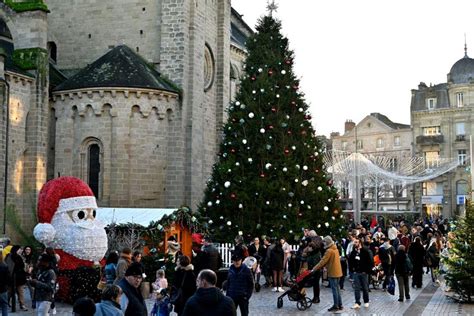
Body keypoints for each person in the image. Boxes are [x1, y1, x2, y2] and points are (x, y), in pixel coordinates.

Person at [312, 236, 343, 313]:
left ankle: (336, 305)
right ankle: (340, 304)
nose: (323, 243)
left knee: (334, 289)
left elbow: (322, 261)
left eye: (324, 242)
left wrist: (314, 269)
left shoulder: (329, 251)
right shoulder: (335, 249)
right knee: (337, 289)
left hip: (333, 272)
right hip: (338, 271)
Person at [348, 237, 373, 309]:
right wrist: (352, 270)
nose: (354, 243)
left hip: (364, 272)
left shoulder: (365, 251)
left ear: (359, 243)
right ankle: (357, 302)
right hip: (356, 272)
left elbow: (370, 261)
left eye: (356, 242)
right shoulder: (353, 252)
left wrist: (367, 271)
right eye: (354, 242)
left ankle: (366, 301)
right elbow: (350, 262)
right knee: (357, 288)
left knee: (365, 287)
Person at [8, 245, 28, 311]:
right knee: (9, 292)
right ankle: (6, 302)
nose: (21, 250)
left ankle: (22, 304)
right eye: (20, 249)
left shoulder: (20, 257)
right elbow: (8, 267)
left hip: (20, 277)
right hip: (11, 277)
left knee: (21, 292)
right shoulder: (10, 256)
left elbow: (22, 266)